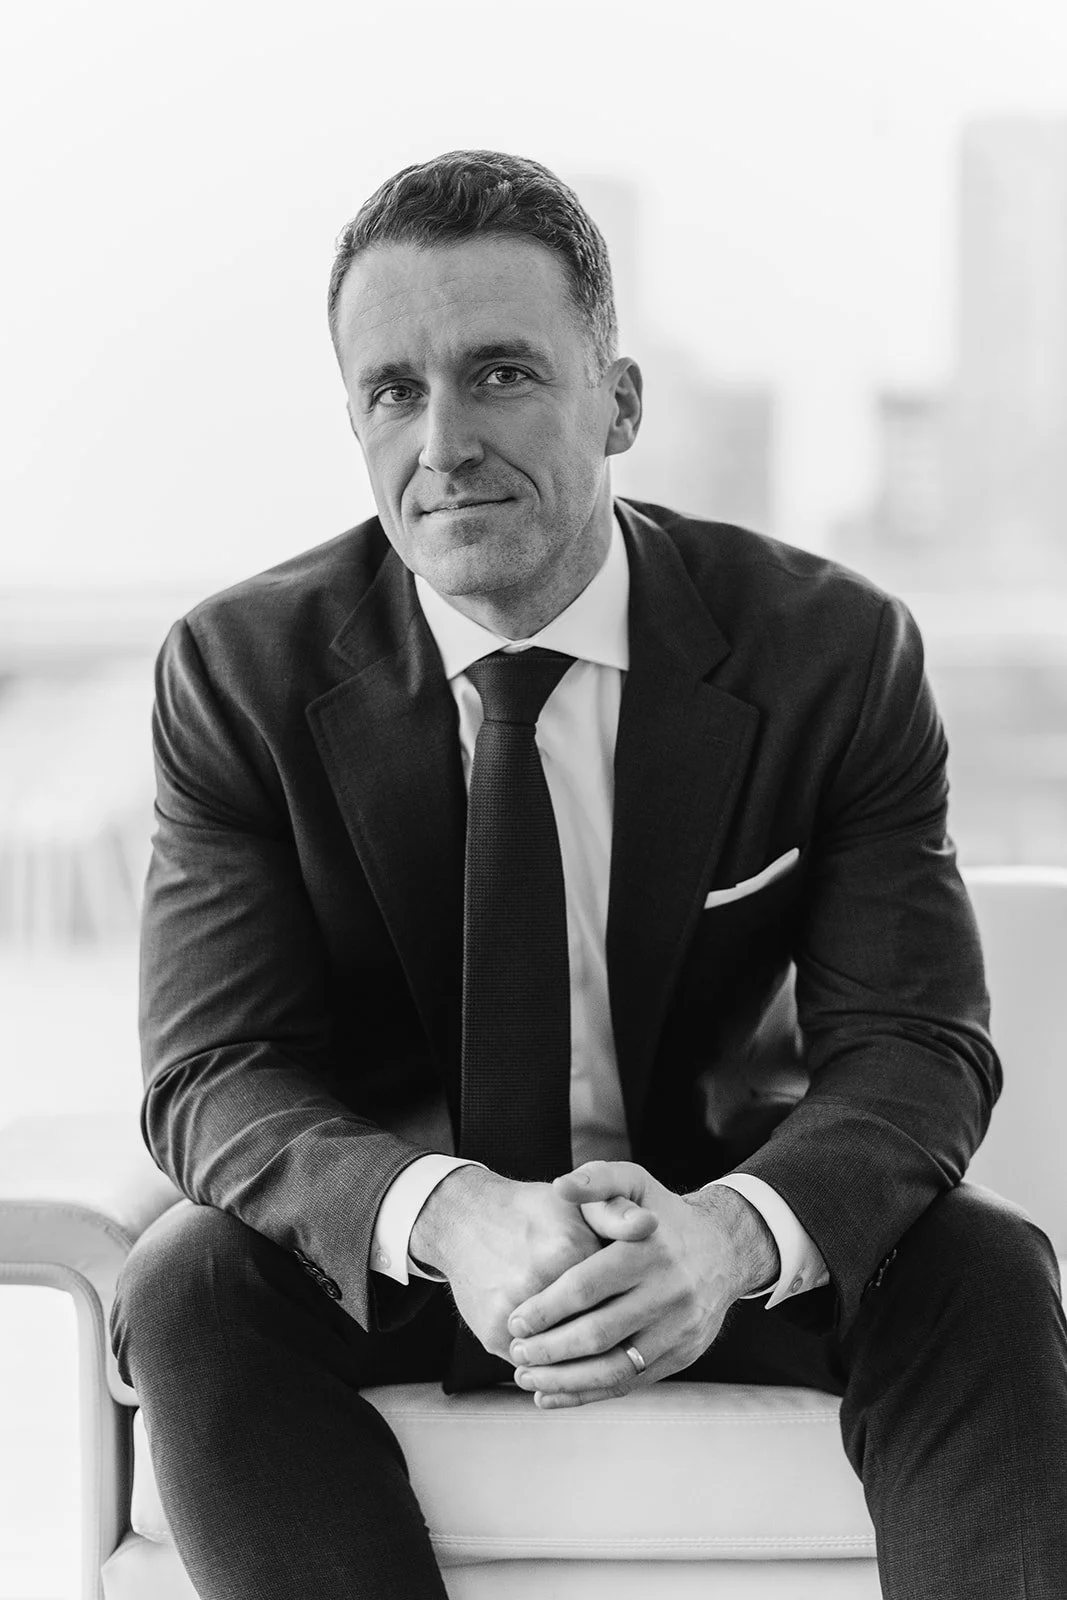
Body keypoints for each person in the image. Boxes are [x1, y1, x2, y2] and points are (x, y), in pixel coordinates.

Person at [109, 148, 1067, 1599]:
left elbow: (916, 1044)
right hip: (412, 1257)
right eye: (393, 391)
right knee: (187, 1281)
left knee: (982, 1263)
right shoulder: (239, 674)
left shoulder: (829, 652)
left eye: (500, 375)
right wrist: (453, 1216)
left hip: (717, 1225)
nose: (443, 443)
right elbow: (213, 1070)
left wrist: (730, 1239)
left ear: (617, 402)